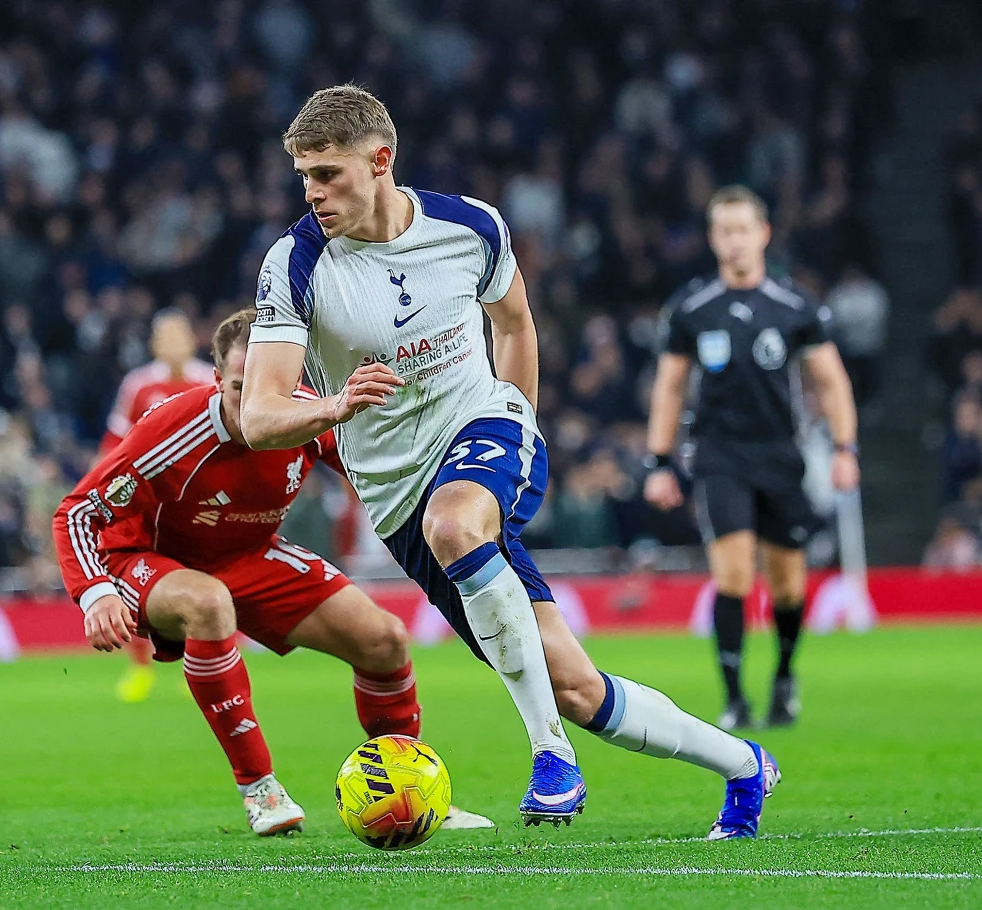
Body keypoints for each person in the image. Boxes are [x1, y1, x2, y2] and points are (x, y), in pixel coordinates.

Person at [241, 84, 779, 839]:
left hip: (484, 429)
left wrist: (517, 415)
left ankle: (549, 756)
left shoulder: (470, 226)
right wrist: (330, 408)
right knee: (575, 685)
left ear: (380, 161)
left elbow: (516, 324)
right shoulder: (296, 262)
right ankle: (745, 767)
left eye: (327, 174)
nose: (312, 192)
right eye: (303, 176)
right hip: (398, 500)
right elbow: (260, 415)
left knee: (456, 522)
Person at [53, 309, 491, 836]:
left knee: (385, 641)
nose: (255, 401)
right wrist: (95, 592)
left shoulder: (308, 416)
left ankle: (413, 794)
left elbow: (375, 473)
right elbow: (76, 510)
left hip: (248, 553)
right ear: (216, 380)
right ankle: (259, 788)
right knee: (209, 601)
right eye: (240, 387)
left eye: (269, 385)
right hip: (148, 558)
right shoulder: (169, 429)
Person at [643, 185, 861, 730]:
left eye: (743, 230)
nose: (734, 241)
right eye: (724, 231)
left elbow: (831, 382)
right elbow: (670, 388)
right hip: (719, 456)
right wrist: (660, 461)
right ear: (713, 239)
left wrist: (844, 449)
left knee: (788, 583)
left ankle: (785, 675)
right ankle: (735, 696)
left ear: (762, 234)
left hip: (780, 456)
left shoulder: (795, 306)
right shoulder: (692, 309)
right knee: (734, 574)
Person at [99, 308, 213, 704]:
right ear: (154, 344)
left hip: (198, 499)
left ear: (192, 339)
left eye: (178, 335)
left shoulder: (208, 379)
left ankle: (200, 665)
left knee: (202, 583)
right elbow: (115, 441)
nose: (172, 343)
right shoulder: (138, 385)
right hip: (147, 500)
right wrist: (104, 483)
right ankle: (140, 667)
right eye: (164, 337)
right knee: (134, 579)